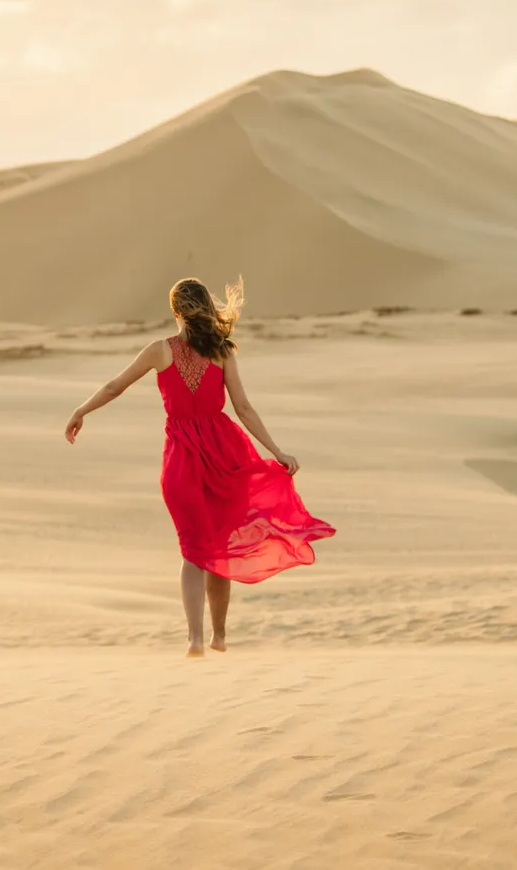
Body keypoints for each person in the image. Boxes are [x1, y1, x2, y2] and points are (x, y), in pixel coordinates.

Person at [64, 277, 335, 657]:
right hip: (226, 460)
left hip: (181, 464)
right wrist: (276, 451)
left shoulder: (160, 351)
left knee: (193, 552)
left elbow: (114, 386)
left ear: (175, 311)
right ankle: (218, 636)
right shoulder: (222, 352)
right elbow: (244, 409)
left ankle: (194, 639)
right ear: (207, 306)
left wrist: (81, 410)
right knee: (218, 551)